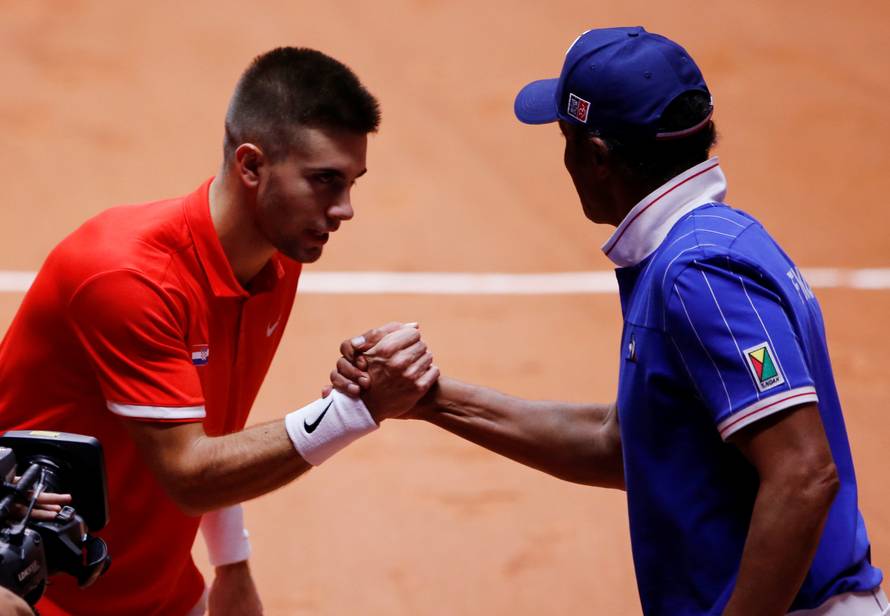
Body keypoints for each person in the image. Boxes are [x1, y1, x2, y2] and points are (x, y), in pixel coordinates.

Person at [332, 27, 886, 615]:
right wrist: (429, 398)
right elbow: (620, 446)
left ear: (596, 158)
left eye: (565, 138)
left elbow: (803, 474)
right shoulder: (707, 245)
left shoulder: (699, 271)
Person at [0, 47, 438, 615]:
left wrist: (232, 562)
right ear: (251, 165)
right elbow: (191, 475)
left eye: (352, 182)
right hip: (35, 596)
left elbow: (212, 426)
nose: (345, 209)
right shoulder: (130, 278)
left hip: (153, 589)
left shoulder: (275, 260)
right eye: (324, 181)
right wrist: (354, 410)